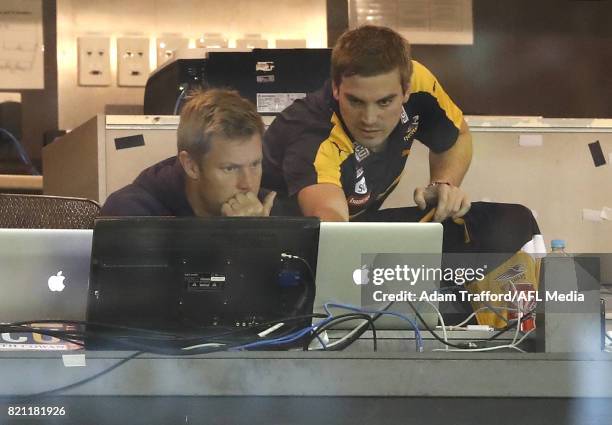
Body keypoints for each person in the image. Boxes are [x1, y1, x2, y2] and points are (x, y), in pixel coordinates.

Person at [262, 25, 542, 324]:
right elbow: (335, 233)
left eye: (385, 102)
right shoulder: (313, 135)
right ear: (335, 88)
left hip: (359, 231)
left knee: (513, 223)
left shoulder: (418, 81)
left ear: (406, 90)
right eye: (355, 101)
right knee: (433, 287)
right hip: (296, 255)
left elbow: (457, 136)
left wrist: (443, 185)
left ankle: (509, 336)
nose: (370, 119)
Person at [101, 89, 278, 217]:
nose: (247, 184)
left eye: (255, 164)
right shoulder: (131, 214)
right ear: (191, 165)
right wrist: (236, 241)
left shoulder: (270, 210)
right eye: (230, 169)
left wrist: (261, 237)